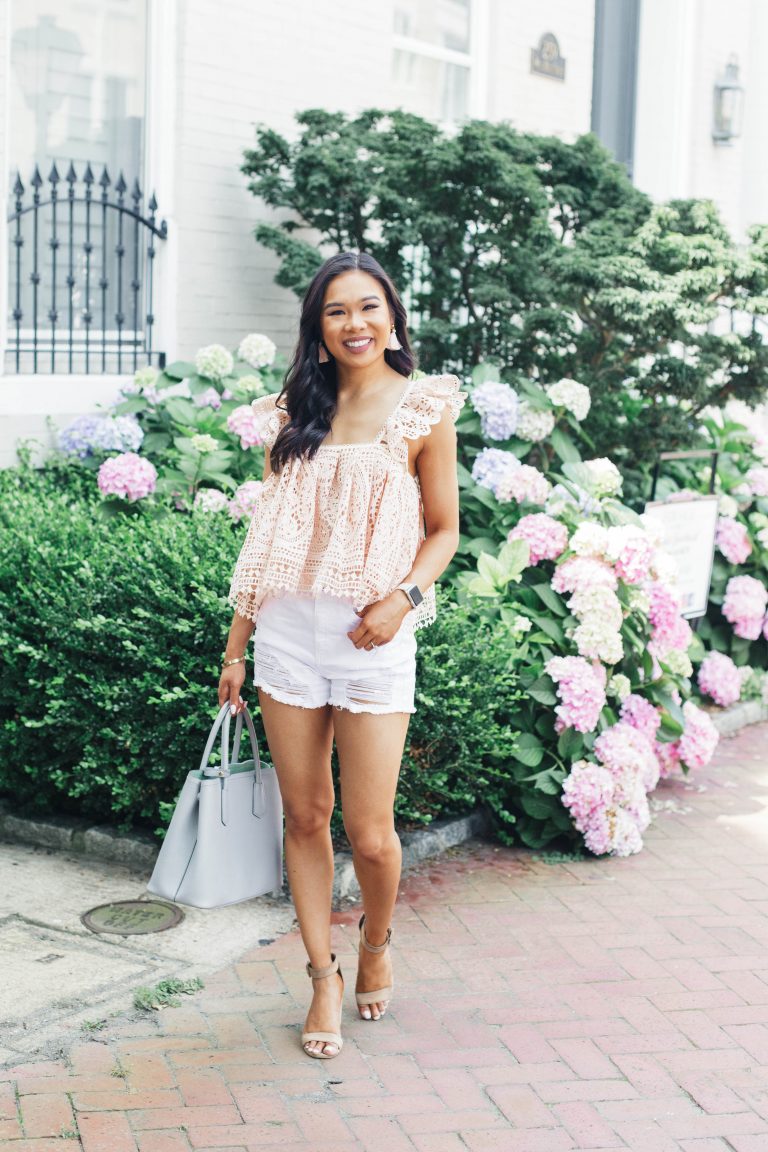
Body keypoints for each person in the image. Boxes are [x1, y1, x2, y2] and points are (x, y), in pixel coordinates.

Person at [218, 250, 465, 1059]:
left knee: (371, 835)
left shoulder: (422, 409)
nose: (354, 323)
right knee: (305, 817)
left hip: (374, 640)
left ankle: (377, 941)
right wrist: (236, 648)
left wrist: (403, 600)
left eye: (367, 307)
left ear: (391, 315)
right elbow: (268, 540)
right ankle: (321, 976)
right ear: (317, 330)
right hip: (289, 635)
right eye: (336, 312)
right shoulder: (295, 410)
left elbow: (445, 530)